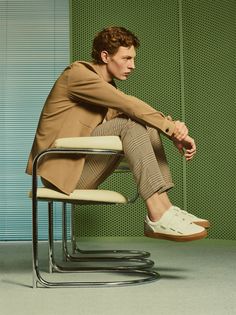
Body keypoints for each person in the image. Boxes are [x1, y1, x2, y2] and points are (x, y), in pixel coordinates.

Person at [26, 26, 209, 242]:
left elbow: (137, 111)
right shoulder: (77, 75)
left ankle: (165, 206)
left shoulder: (106, 88)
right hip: (61, 176)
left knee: (143, 123)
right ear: (105, 56)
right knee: (129, 123)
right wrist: (173, 132)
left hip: (81, 169)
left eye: (133, 59)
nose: (133, 65)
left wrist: (174, 128)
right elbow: (127, 104)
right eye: (127, 58)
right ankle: (157, 213)